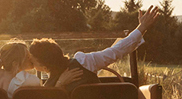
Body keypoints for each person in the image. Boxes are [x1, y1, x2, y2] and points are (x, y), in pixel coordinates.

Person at [28, 6, 160, 92]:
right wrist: (141, 28)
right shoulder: (84, 61)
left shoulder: (48, 87)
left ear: (44, 66)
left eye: (33, 62)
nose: (31, 65)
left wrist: (58, 86)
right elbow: (115, 52)